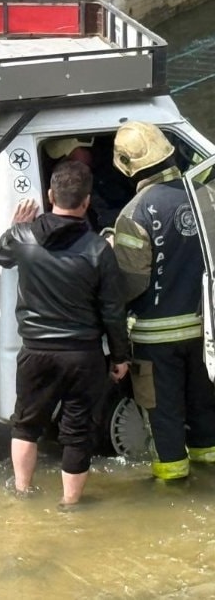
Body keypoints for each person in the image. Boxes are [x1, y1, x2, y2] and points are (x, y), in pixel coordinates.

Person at [0, 160, 130, 506]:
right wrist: (120, 357)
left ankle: (22, 493)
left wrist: (15, 226)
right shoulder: (99, 249)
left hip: (36, 351)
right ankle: (70, 506)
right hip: (83, 355)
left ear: (51, 195)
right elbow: (113, 311)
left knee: (25, 425)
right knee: (77, 433)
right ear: (86, 202)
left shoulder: (23, 237)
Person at [110, 121, 215, 480]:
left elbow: (131, 282)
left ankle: (172, 492)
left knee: (165, 418)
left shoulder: (133, 214)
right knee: (206, 412)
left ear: (126, 164)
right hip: (205, 335)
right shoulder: (205, 195)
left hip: (155, 342)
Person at [44, 136, 133, 231]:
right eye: (67, 160)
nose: (71, 167)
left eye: (71, 157)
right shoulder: (68, 189)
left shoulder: (112, 172)